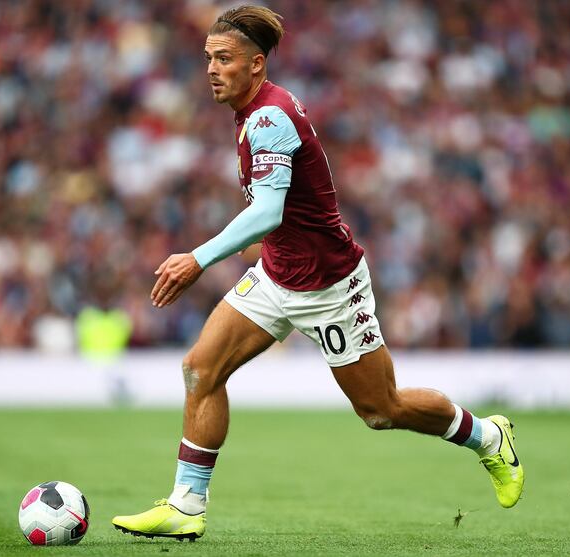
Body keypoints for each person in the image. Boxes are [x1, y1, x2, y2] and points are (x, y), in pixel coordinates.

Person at [112, 5, 524, 541]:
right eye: (209, 57)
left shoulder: (268, 116)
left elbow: (269, 209)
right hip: (277, 274)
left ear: (256, 65)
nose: (212, 68)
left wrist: (199, 257)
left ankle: (489, 437)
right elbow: (289, 206)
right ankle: (187, 504)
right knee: (201, 370)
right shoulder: (253, 110)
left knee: (381, 409)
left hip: (329, 287)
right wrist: (268, 242)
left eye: (225, 59)